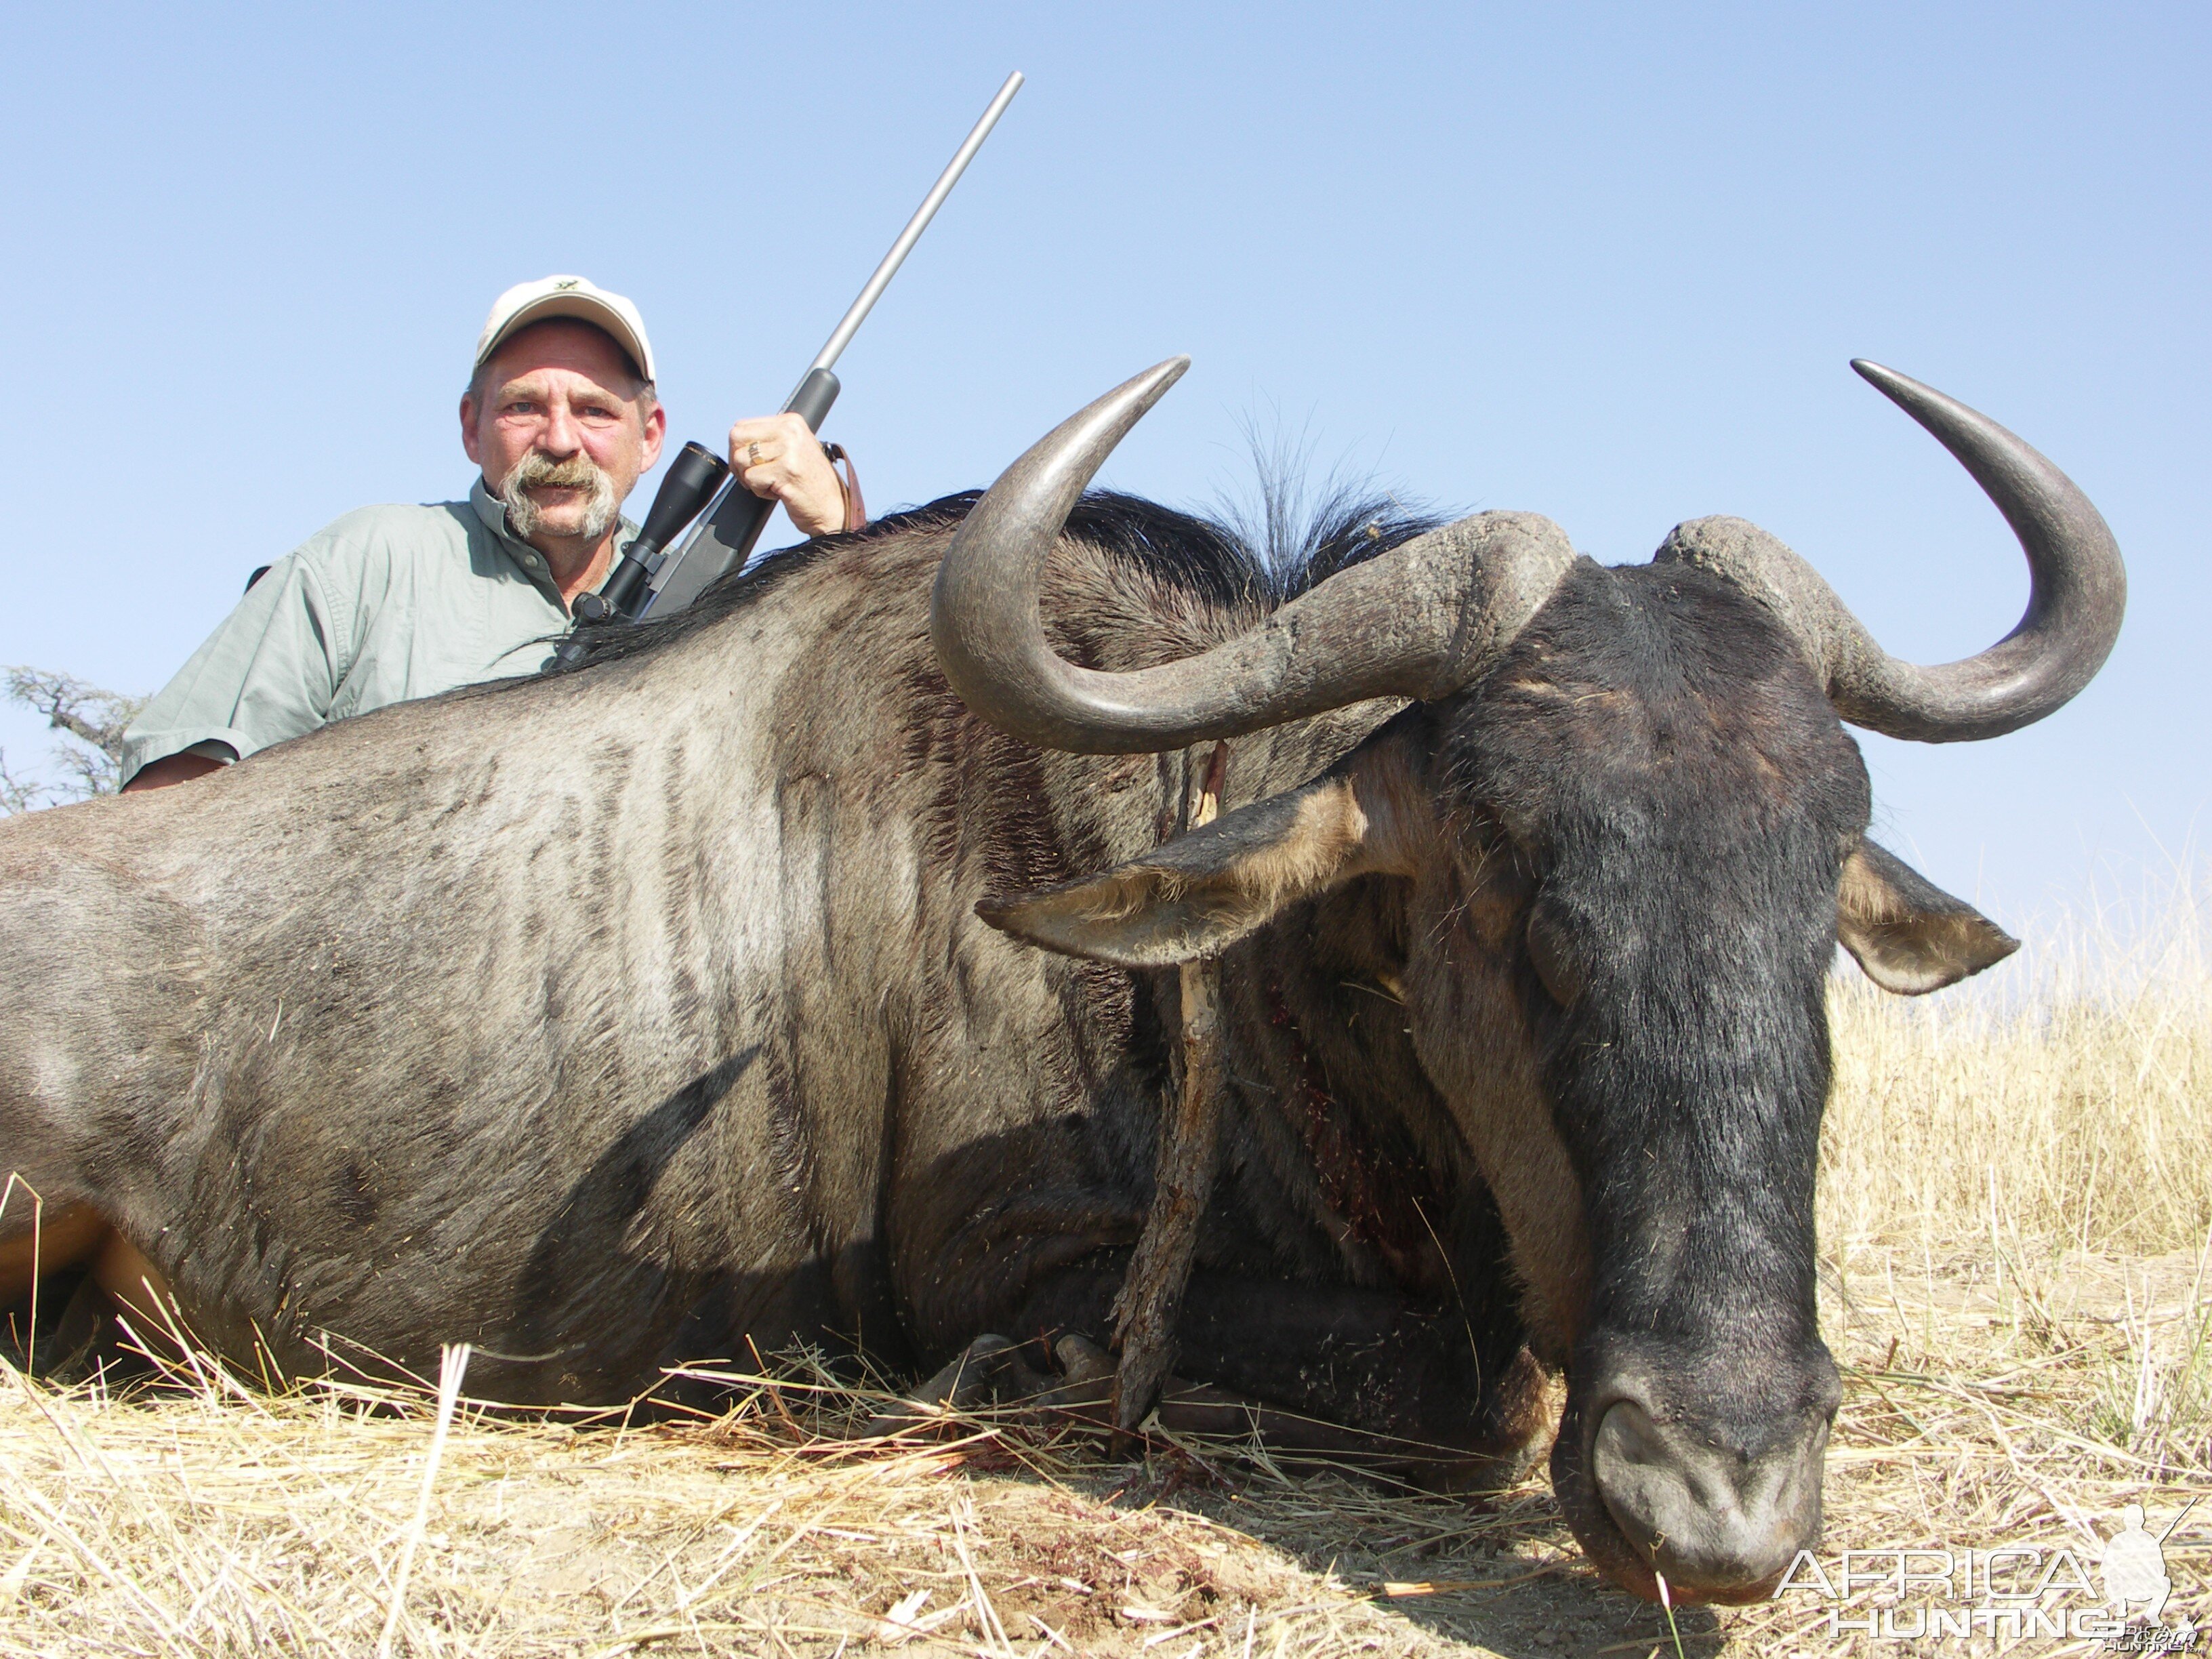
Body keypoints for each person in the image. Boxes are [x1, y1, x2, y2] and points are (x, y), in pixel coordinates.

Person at [120, 275, 861, 791]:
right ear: (472, 427)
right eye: (522, 407)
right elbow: (171, 797)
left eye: (596, 411)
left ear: (652, 437)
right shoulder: (366, 563)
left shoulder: (707, 610)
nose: (561, 440)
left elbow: (850, 779)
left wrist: (839, 538)